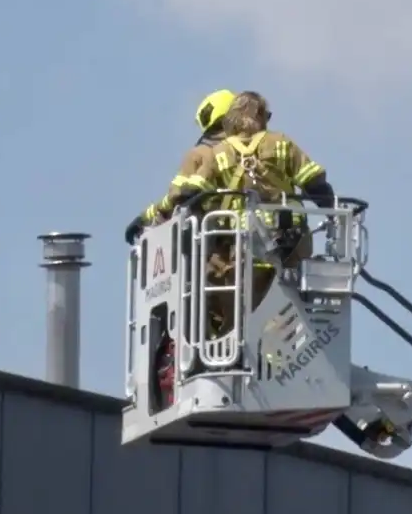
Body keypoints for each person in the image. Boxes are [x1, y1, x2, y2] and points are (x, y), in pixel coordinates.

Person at [185, 91, 336, 334]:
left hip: (241, 250)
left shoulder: (218, 153)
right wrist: (333, 213)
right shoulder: (282, 143)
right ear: (260, 116)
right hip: (292, 246)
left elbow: (194, 191)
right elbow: (315, 183)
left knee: (243, 314)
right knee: (290, 312)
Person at [125, 89, 236, 244]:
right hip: (263, 240)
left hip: (216, 243)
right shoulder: (262, 149)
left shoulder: (200, 154)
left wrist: (145, 218)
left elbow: (176, 196)